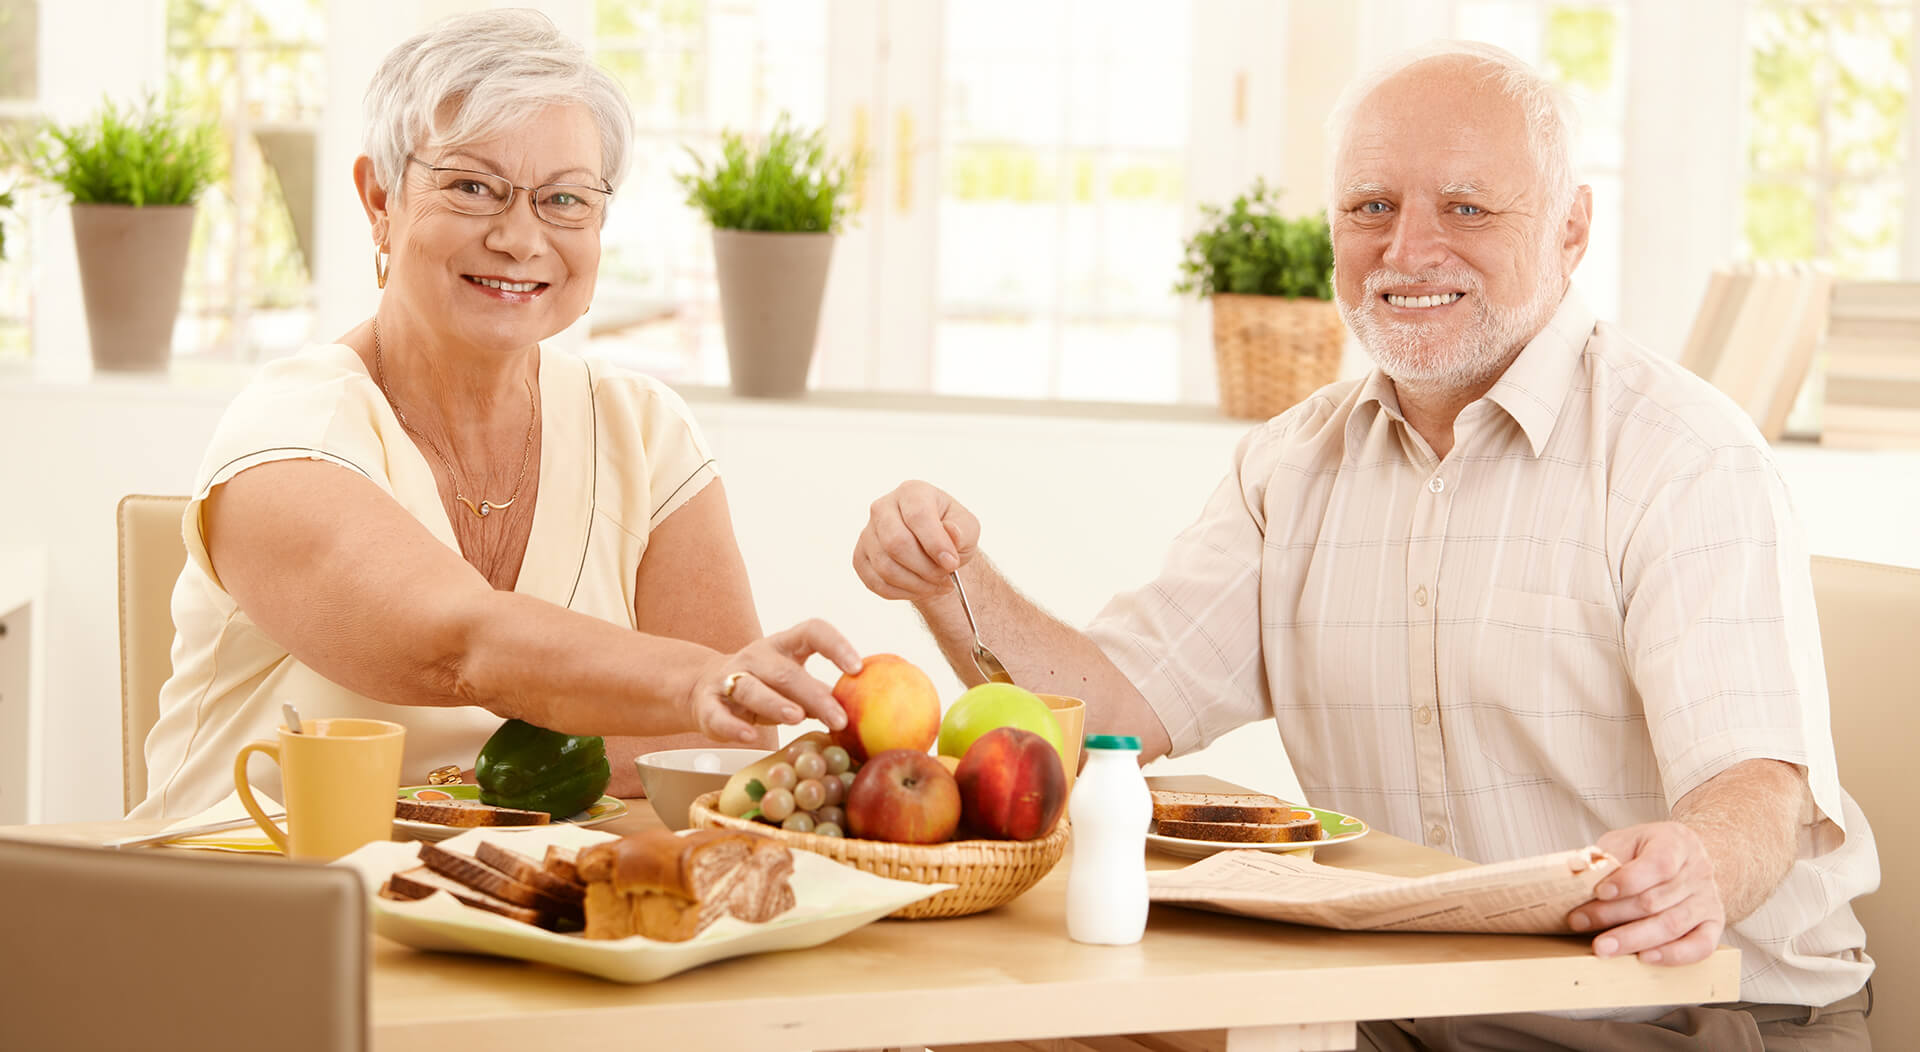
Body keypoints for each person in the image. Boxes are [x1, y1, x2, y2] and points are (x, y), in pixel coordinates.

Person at [852, 41, 1876, 1050]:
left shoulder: (1682, 453)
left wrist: (1697, 858)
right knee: (979, 1027)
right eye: (1371, 207)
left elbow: (1760, 781)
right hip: (1409, 1000)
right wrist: (953, 583)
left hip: (1686, 1010)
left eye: (1466, 207)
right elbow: (1109, 713)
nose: (1407, 250)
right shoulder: (1294, 463)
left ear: (1570, 229)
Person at [132, 10, 858, 821]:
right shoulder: (287, 433)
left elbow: (720, 757)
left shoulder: (644, 431)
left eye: (564, 200)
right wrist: (687, 684)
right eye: (473, 186)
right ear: (380, 198)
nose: (520, 237)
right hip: (262, 909)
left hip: (537, 920)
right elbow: (460, 645)